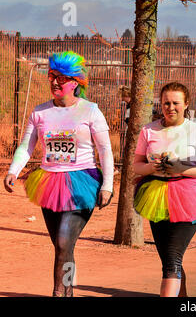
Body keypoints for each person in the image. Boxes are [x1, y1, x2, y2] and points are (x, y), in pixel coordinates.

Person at [3, 51, 114, 297]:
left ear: (76, 83)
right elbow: (26, 145)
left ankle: (58, 292)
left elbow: (106, 150)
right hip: (49, 184)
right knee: (62, 246)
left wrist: (107, 185)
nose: (55, 82)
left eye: (61, 78)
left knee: (64, 242)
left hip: (82, 184)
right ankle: (69, 290)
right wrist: (13, 170)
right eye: (52, 76)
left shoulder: (91, 111)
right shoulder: (40, 112)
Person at [133, 81, 196, 297]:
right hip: (155, 196)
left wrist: (180, 169)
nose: (170, 107)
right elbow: (136, 165)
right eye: (166, 103)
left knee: (172, 258)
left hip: (188, 197)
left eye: (176, 103)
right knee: (169, 259)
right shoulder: (149, 130)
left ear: (186, 104)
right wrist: (151, 167)